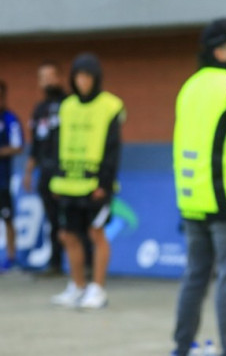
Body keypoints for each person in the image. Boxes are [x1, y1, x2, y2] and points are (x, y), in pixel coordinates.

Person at [172, 19, 226, 356]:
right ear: (220, 50)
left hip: (193, 201)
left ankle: (180, 348)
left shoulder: (189, 86)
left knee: (195, 278)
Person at [49, 53, 124, 309]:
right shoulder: (66, 106)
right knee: (68, 235)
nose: (82, 82)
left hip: (96, 185)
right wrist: (55, 178)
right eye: (78, 77)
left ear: (96, 79)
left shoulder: (110, 105)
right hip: (68, 183)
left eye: (87, 77)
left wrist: (104, 182)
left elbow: (113, 147)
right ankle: (77, 286)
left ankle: (97, 289)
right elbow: (57, 144)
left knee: (96, 233)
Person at [21, 62, 67, 275]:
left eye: (51, 76)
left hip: (67, 172)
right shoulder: (39, 110)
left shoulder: (69, 104)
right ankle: (55, 263)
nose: (47, 81)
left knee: (72, 221)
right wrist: (29, 172)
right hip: (45, 172)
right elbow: (35, 145)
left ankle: (85, 265)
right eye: (43, 77)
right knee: (52, 219)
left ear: (59, 77)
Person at [0, 80, 24, 272]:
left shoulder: (10, 119)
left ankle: (11, 257)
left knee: (8, 219)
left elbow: (17, 146)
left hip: (2, 181)